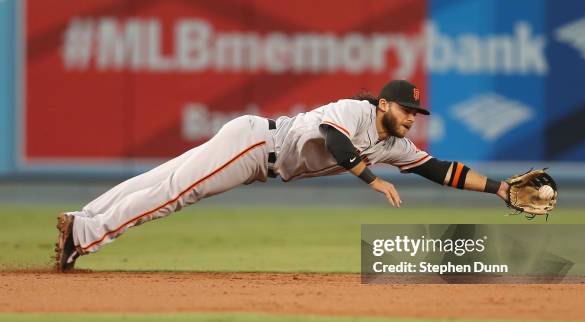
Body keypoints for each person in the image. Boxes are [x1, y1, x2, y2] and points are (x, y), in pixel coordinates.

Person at [55, 80, 509, 272]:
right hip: (255, 146)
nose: (413, 118)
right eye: (407, 110)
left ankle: (82, 219)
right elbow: (335, 141)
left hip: (257, 151)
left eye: (417, 113)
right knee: (174, 190)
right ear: (384, 105)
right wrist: (374, 180)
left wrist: (500, 188)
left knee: (163, 178)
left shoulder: (394, 145)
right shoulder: (356, 111)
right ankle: (86, 233)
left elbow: (441, 170)